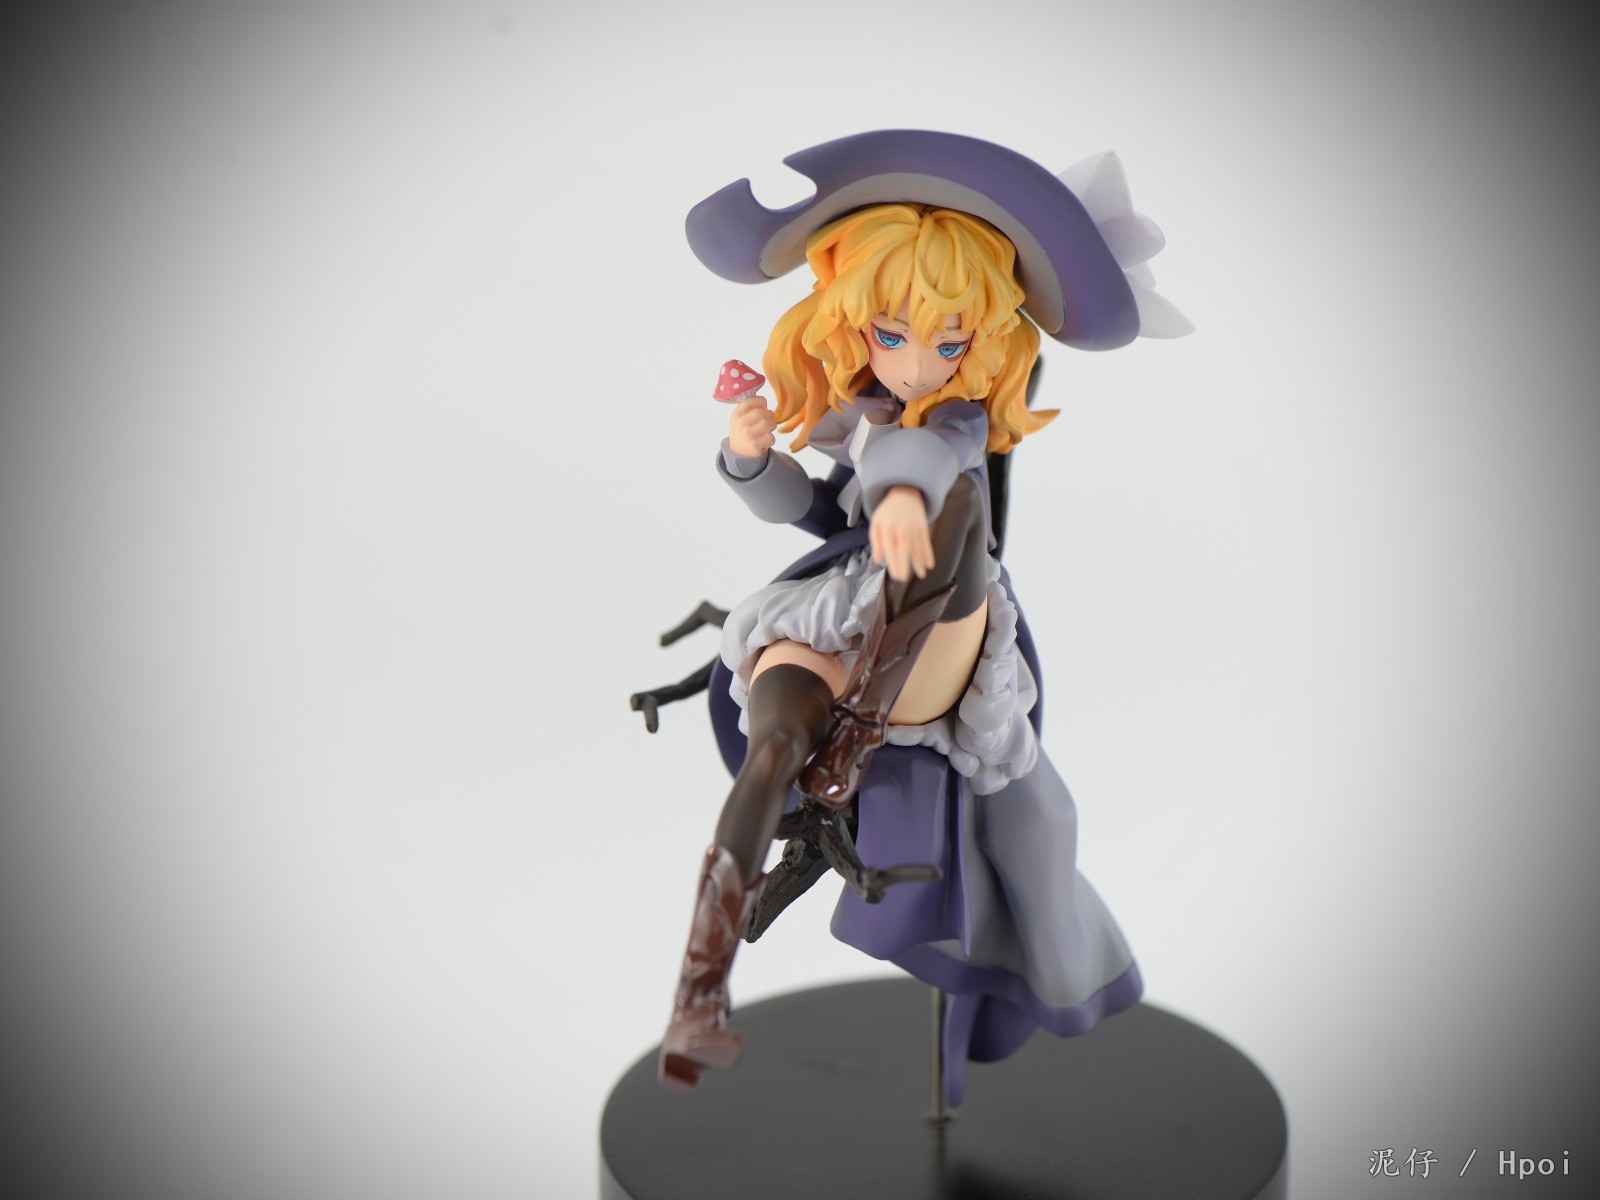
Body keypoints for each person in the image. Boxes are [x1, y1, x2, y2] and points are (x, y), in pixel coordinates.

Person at [657, 132, 1189, 1105]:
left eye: (948, 343)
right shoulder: (856, 415)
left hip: (947, 611)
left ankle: (865, 735)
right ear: (849, 320)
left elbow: (940, 454)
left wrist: (902, 492)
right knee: (773, 747)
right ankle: (699, 988)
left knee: (1029, 793)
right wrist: (749, 458)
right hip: (839, 601)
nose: (915, 365)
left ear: (980, 344)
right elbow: (816, 510)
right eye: (892, 335)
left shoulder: (955, 421)